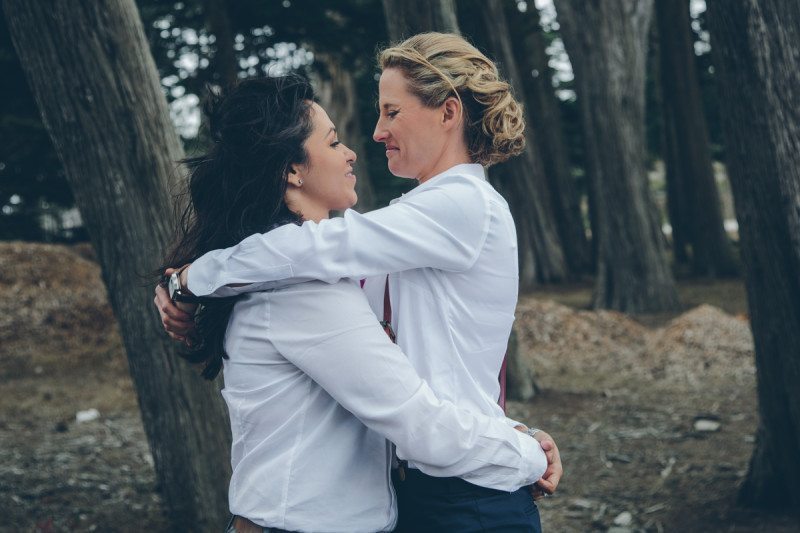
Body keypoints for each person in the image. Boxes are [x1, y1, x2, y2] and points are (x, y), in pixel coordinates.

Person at [159, 74, 552, 533]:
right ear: (292, 169)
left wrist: (191, 279)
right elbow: (415, 419)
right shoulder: (302, 294)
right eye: (334, 142)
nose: (357, 147)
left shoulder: (453, 210)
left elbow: (409, 380)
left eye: (392, 112)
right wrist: (526, 454)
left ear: (448, 113)